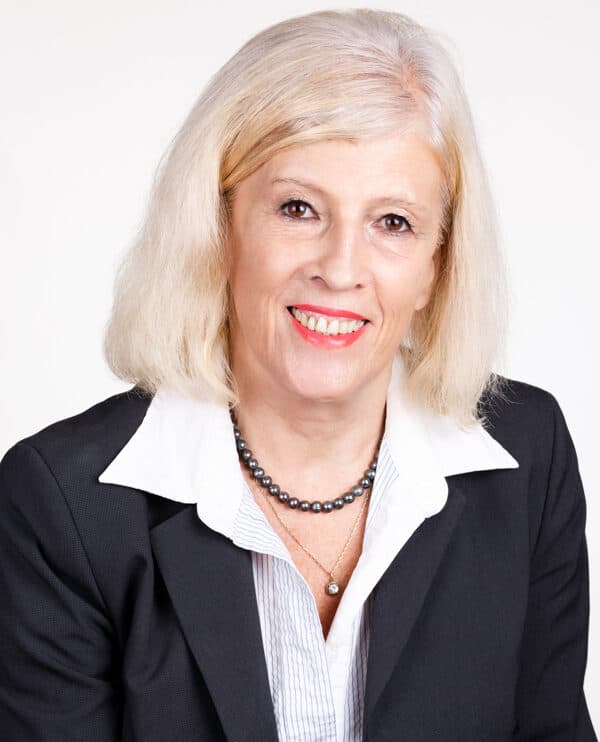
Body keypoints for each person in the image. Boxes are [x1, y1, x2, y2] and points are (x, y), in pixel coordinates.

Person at [0, 8, 596, 742]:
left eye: (393, 222)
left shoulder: (528, 459)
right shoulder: (63, 505)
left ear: (435, 266)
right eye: (298, 208)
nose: (340, 269)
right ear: (217, 228)